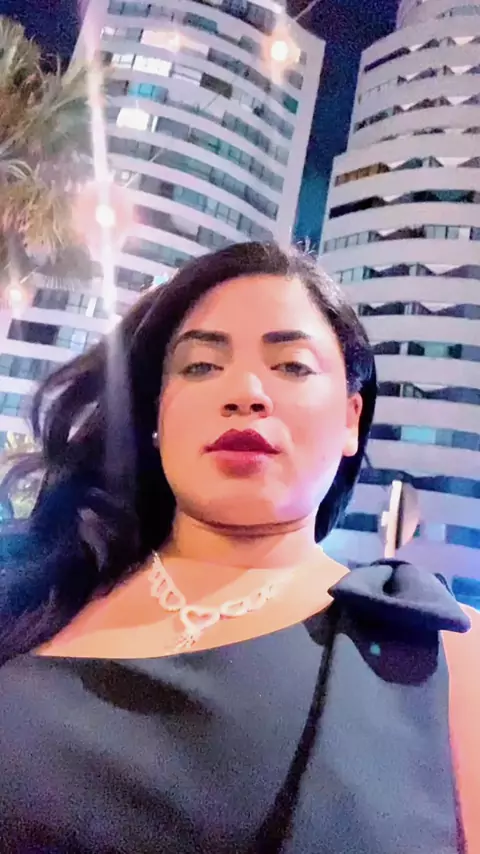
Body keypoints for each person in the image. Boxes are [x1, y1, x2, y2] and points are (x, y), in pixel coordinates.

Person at [0, 242, 478, 853]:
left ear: (351, 418)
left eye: (292, 366)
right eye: (201, 366)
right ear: (156, 415)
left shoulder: (448, 658)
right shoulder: (35, 591)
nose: (246, 393)